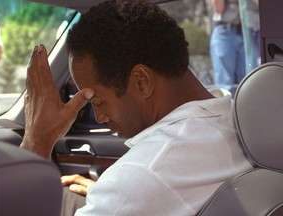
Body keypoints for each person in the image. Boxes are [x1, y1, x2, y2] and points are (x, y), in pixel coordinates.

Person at [20, 0, 253, 215]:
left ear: (142, 81)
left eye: (98, 102)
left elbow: (144, 185)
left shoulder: (142, 176)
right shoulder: (239, 120)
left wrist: (36, 143)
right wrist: (107, 195)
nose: (99, 117)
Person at [209, 0, 245, 94]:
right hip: (225, 31)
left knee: (249, 84)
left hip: (250, 33)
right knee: (225, 87)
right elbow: (218, 9)